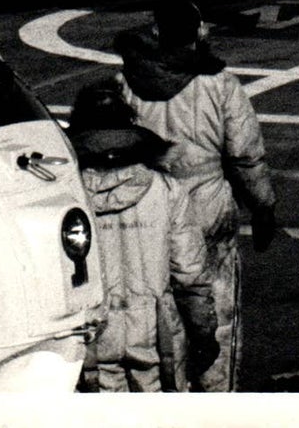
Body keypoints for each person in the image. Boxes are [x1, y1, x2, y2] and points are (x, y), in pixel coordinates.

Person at [115, 0, 276, 392]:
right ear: (199, 32)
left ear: (156, 31)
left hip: (148, 203)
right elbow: (245, 154)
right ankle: (215, 397)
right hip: (207, 205)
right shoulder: (219, 85)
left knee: (157, 305)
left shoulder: (126, 82)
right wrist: (263, 206)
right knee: (216, 306)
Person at [67, 81, 219, 392]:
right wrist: (204, 334)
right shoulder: (165, 190)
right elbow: (190, 275)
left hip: (92, 337)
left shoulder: (69, 197)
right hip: (156, 336)